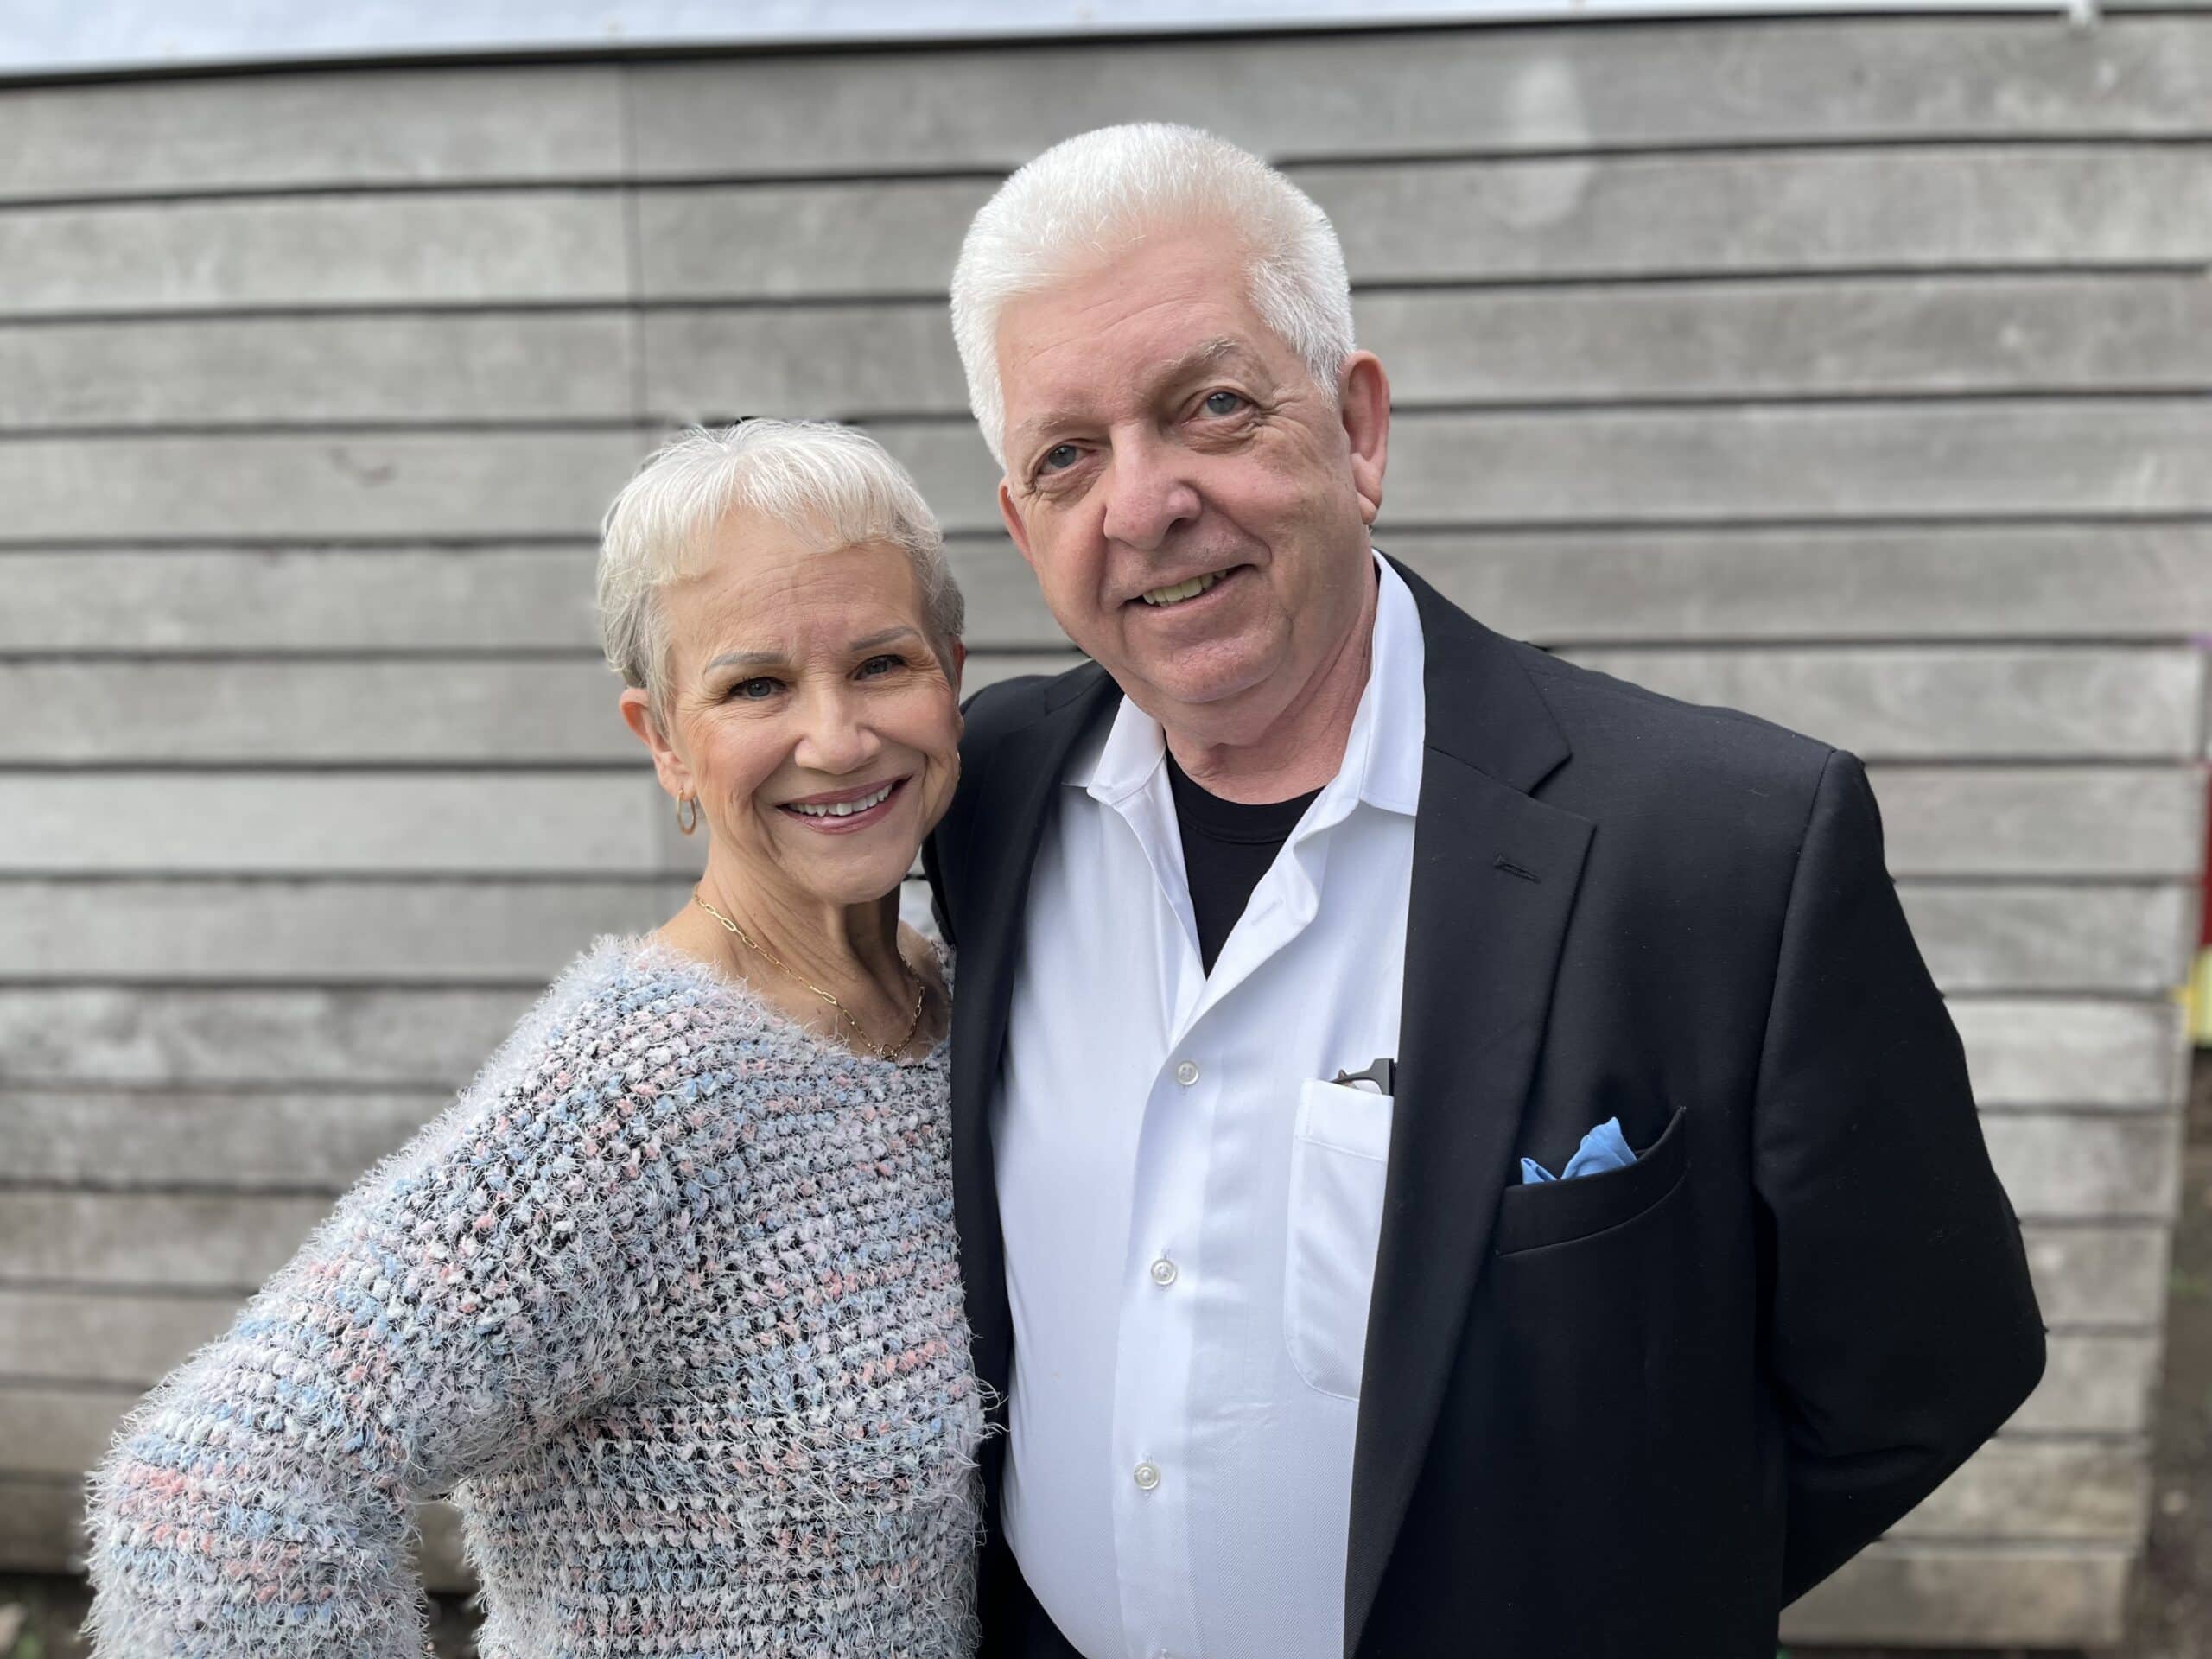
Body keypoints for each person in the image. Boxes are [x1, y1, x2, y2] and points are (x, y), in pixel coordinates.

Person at [925, 124, 2046, 1659]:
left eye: (1212, 406)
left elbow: (1929, 1364)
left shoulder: (1728, 853)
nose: (1145, 502)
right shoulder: (975, 801)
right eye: (1069, 454)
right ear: (1021, 524)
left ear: (1357, 427)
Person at [84, 421, 983, 1658]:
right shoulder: (637, 1089)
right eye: (756, 685)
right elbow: (220, 1488)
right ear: (663, 738)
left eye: (881, 662)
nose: (835, 737)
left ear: (953, 671)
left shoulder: (969, 1000)